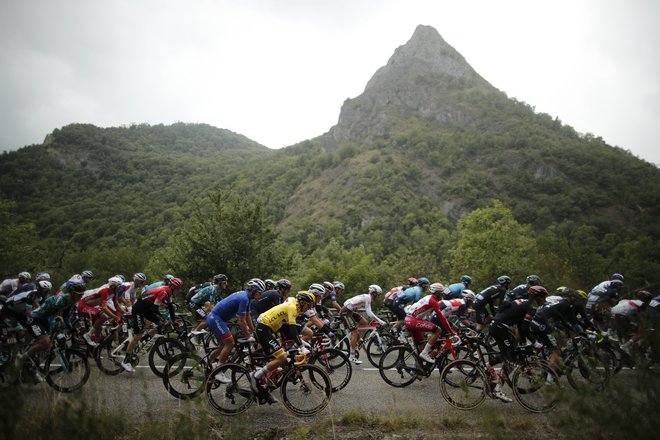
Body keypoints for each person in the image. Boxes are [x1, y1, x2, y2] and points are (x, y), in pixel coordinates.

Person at [252, 291, 317, 404]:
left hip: (269, 329)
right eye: (309, 305)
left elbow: (287, 329)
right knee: (282, 357)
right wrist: (301, 347)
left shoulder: (295, 306)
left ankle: (264, 387)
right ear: (302, 302)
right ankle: (256, 376)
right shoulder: (292, 307)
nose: (309, 308)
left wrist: (301, 341)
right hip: (264, 328)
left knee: (278, 358)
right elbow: (292, 329)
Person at [487, 285, 548, 402]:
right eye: (543, 297)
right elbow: (525, 328)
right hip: (500, 328)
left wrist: (523, 341)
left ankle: (487, 365)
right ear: (538, 297)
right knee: (511, 360)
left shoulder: (525, 303)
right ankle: (497, 389)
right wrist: (535, 343)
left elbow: (520, 326)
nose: (544, 300)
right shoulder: (531, 307)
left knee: (510, 353)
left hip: (498, 326)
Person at [205, 278, 265, 380]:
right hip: (215, 318)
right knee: (230, 343)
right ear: (253, 290)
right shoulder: (244, 298)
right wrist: (248, 336)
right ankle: (218, 371)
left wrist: (253, 331)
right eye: (260, 292)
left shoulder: (247, 297)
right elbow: (241, 321)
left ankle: (208, 362)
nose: (261, 295)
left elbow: (247, 316)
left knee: (223, 346)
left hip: (215, 318)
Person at [120, 277, 184, 372]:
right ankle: (126, 361)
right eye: (178, 289)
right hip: (139, 309)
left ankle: (143, 340)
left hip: (147, 308)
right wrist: (163, 319)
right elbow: (155, 309)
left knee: (160, 324)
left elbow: (170, 308)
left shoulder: (168, 293)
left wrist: (173, 322)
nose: (179, 291)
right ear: (172, 287)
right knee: (138, 334)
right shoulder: (164, 292)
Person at [529, 287, 585, 372]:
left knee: (559, 337)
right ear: (570, 297)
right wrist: (580, 332)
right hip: (541, 324)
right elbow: (573, 322)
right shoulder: (567, 305)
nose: (576, 301)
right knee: (556, 351)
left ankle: (546, 357)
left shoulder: (559, 303)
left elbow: (561, 320)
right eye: (575, 298)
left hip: (535, 323)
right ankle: (549, 381)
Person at [403, 282, 456, 363]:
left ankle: (417, 369)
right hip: (412, 321)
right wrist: (450, 331)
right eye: (441, 293)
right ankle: (425, 354)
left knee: (421, 347)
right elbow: (441, 317)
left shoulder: (429, 297)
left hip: (409, 319)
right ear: (437, 293)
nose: (442, 296)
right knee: (438, 330)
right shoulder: (433, 301)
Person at [340, 285, 387, 364]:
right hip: (345, 313)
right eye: (378, 295)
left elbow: (346, 302)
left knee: (364, 322)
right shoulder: (368, 298)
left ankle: (355, 337)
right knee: (355, 332)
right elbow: (369, 313)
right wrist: (380, 321)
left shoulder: (367, 297)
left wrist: (352, 306)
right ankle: (351, 356)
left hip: (349, 312)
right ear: (374, 293)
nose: (378, 297)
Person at [78, 276, 126, 346]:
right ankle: (87, 335)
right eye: (119, 286)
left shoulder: (114, 292)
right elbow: (104, 308)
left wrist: (126, 313)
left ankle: (96, 348)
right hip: (83, 305)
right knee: (104, 316)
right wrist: (116, 317)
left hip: (91, 306)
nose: (120, 288)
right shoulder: (104, 290)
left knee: (99, 330)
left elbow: (117, 306)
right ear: (113, 286)